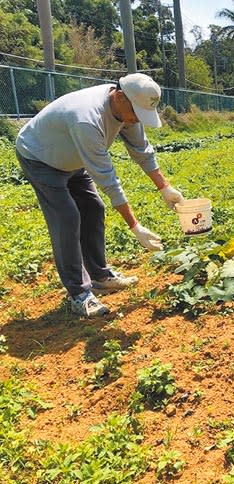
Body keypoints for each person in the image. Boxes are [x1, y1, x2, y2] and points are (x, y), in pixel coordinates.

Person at [15, 73, 184, 317]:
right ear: (120, 97)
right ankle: (79, 293)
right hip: (40, 157)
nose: (137, 119)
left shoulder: (128, 110)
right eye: (136, 112)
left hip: (72, 158)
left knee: (93, 207)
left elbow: (141, 151)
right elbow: (107, 178)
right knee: (67, 217)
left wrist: (165, 187)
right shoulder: (87, 119)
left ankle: (100, 275)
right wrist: (135, 226)